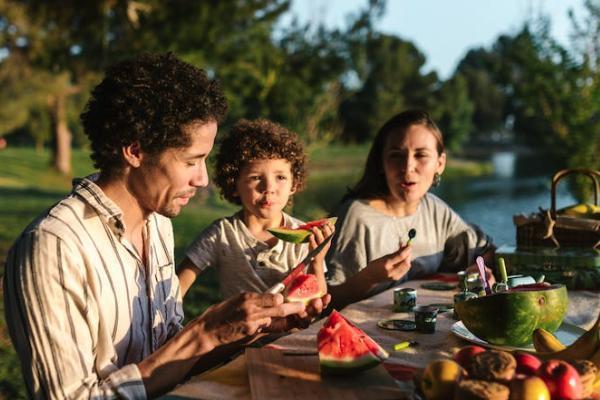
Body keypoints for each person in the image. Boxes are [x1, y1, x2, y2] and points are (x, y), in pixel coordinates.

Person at [3, 53, 328, 399]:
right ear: (135, 150)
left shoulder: (157, 223)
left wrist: (243, 331)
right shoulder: (52, 247)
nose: (203, 179)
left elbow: (168, 356)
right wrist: (203, 333)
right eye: (192, 160)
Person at [326, 109, 495, 308]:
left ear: (440, 164)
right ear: (381, 163)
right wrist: (369, 278)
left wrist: (479, 268)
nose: (407, 167)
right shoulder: (356, 216)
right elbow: (326, 302)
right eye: (396, 156)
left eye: (421, 155)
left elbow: (484, 250)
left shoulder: (433, 208)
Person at [178, 119, 332, 300]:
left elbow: (318, 303)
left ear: (294, 184)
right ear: (233, 184)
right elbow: (177, 287)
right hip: (238, 328)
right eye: (256, 177)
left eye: (280, 177)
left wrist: (317, 260)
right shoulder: (221, 234)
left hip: (293, 329)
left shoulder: (304, 238)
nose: (269, 187)